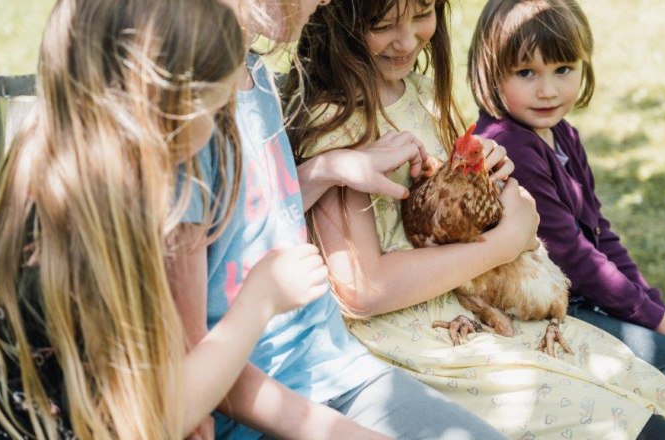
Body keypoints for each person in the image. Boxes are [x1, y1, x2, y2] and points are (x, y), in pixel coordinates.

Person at [284, 0, 665, 438]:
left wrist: (479, 179)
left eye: (422, 15)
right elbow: (364, 288)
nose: (406, 40)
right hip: (422, 342)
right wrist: (505, 241)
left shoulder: (415, 91)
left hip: (481, 306)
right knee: (652, 432)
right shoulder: (336, 122)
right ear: (338, 16)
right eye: (383, 24)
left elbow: (443, 219)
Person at [0, 0, 328, 438]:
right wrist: (260, 301)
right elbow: (157, 414)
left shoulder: (55, 167)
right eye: (212, 111)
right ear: (160, 104)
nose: (210, 135)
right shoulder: (95, 236)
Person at [168, 0, 508, 439]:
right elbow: (193, 365)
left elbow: (248, 220)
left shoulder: (253, 77)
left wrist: (325, 171)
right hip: (260, 407)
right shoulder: (185, 122)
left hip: (339, 370)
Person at [468, 0, 665, 412]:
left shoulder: (561, 133)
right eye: (526, 72)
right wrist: (658, 323)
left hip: (581, 294)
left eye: (563, 69)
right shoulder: (510, 146)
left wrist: (655, 309)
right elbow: (572, 255)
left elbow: (599, 233)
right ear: (490, 73)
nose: (548, 90)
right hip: (541, 309)